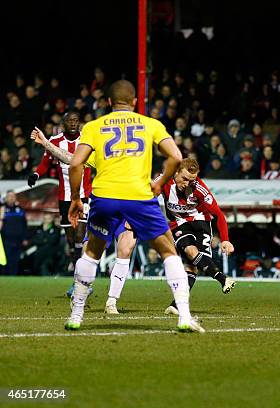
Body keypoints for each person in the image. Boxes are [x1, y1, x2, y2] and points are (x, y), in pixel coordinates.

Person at [64, 79, 203, 332]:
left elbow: (75, 164)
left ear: (108, 103)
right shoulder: (150, 124)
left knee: (92, 252)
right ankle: (184, 315)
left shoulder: (95, 126)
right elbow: (176, 157)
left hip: (104, 197)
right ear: (135, 102)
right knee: (168, 251)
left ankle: (76, 314)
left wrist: (75, 199)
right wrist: (160, 182)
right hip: (139, 197)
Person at [30, 125, 137, 314]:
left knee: (126, 248)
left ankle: (111, 301)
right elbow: (73, 160)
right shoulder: (102, 155)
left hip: (126, 212)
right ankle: (79, 294)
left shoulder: (138, 159)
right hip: (103, 209)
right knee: (89, 253)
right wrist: (46, 143)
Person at [157, 158, 236, 315]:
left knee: (192, 266)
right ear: (176, 172)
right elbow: (147, 196)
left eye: (191, 180)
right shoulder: (163, 180)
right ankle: (222, 279)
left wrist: (225, 239)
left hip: (201, 224)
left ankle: (176, 305)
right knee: (190, 252)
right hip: (178, 224)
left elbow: (218, 214)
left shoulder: (199, 188)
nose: (187, 183)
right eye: (184, 178)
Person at [28, 111, 92, 270]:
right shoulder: (55, 141)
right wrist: (36, 174)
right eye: (70, 121)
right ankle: (75, 259)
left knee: (80, 233)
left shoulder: (87, 140)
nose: (73, 124)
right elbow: (45, 162)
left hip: (84, 194)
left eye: (76, 121)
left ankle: (79, 268)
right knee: (70, 238)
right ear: (63, 124)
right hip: (65, 196)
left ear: (79, 123)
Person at [0, 191, 28, 275]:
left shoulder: (20, 209)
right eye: (9, 196)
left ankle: (13, 276)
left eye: (13, 196)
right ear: (6, 198)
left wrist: (25, 238)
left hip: (18, 239)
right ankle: (4, 276)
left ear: (15, 198)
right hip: (6, 239)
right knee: (5, 259)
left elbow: (24, 225)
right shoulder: (2, 209)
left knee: (15, 259)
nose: (11, 198)